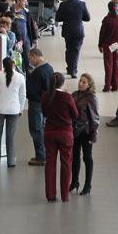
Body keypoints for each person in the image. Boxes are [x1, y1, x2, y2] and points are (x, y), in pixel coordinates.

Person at [41, 72, 78, 202]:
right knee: (66, 163)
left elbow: (44, 113)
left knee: (50, 164)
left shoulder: (45, 96)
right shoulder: (67, 97)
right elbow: (75, 114)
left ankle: (50, 195)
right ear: (63, 83)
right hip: (65, 134)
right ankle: (65, 195)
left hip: (50, 133)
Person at [0, 57, 27, 168]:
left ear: (3, 65)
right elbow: (23, 95)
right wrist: (20, 109)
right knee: (11, 135)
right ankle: (11, 161)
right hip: (13, 109)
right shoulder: (20, 77)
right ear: (13, 65)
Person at [70, 74, 99, 195]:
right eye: (80, 81)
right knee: (74, 157)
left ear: (89, 85)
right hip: (74, 131)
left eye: (84, 82)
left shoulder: (91, 98)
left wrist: (93, 135)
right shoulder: (74, 94)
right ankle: (74, 181)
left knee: (87, 158)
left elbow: (95, 118)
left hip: (86, 131)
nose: (80, 83)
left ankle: (88, 185)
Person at [25, 48, 53, 166]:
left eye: (30, 58)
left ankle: (41, 156)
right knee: (41, 128)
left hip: (36, 103)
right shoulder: (49, 68)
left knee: (36, 129)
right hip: (45, 103)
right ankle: (44, 154)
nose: (29, 61)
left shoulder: (38, 72)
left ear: (35, 56)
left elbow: (31, 90)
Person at [55, 0, 90, 78]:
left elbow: (57, 18)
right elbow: (87, 18)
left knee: (69, 49)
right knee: (76, 50)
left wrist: (66, 18)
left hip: (67, 31)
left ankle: (70, 67)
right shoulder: (82, 4)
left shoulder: (63, 4)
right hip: (78, 31)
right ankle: (73, 70)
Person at [98, 1, 118, 92]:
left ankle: (107, 86)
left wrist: (100, 44)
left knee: (108, 66)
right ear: (117, 8)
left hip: (108, 46)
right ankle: (115, 85)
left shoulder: (107, 19)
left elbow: (102, 33)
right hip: (117, 45)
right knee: (116, 65)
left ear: (108, 8)